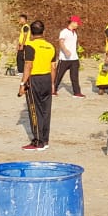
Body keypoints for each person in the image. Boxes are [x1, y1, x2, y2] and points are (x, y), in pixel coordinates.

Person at [19, 20, 57, 151]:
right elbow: (53, 67)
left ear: (31, 32)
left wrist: (22, 84)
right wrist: (52, 84)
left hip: (34, 79)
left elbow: (28, 65)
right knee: (46, 111)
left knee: (34, 110)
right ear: (44, 31)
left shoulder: (30, 45)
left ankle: (38, 141)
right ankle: (45, 140)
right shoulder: (51, 46)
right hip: (47, 79)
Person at [54, 15, 84, 97]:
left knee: (75, 76)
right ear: (73, 22)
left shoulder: (74, 33)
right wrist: (65, 50)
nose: (78, 25)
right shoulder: (64, 32)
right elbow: (61, 42)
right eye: (77, 23)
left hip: (74, 58)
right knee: (58, 76)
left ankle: (77, 92)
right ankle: (53, 90)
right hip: (64, 58)